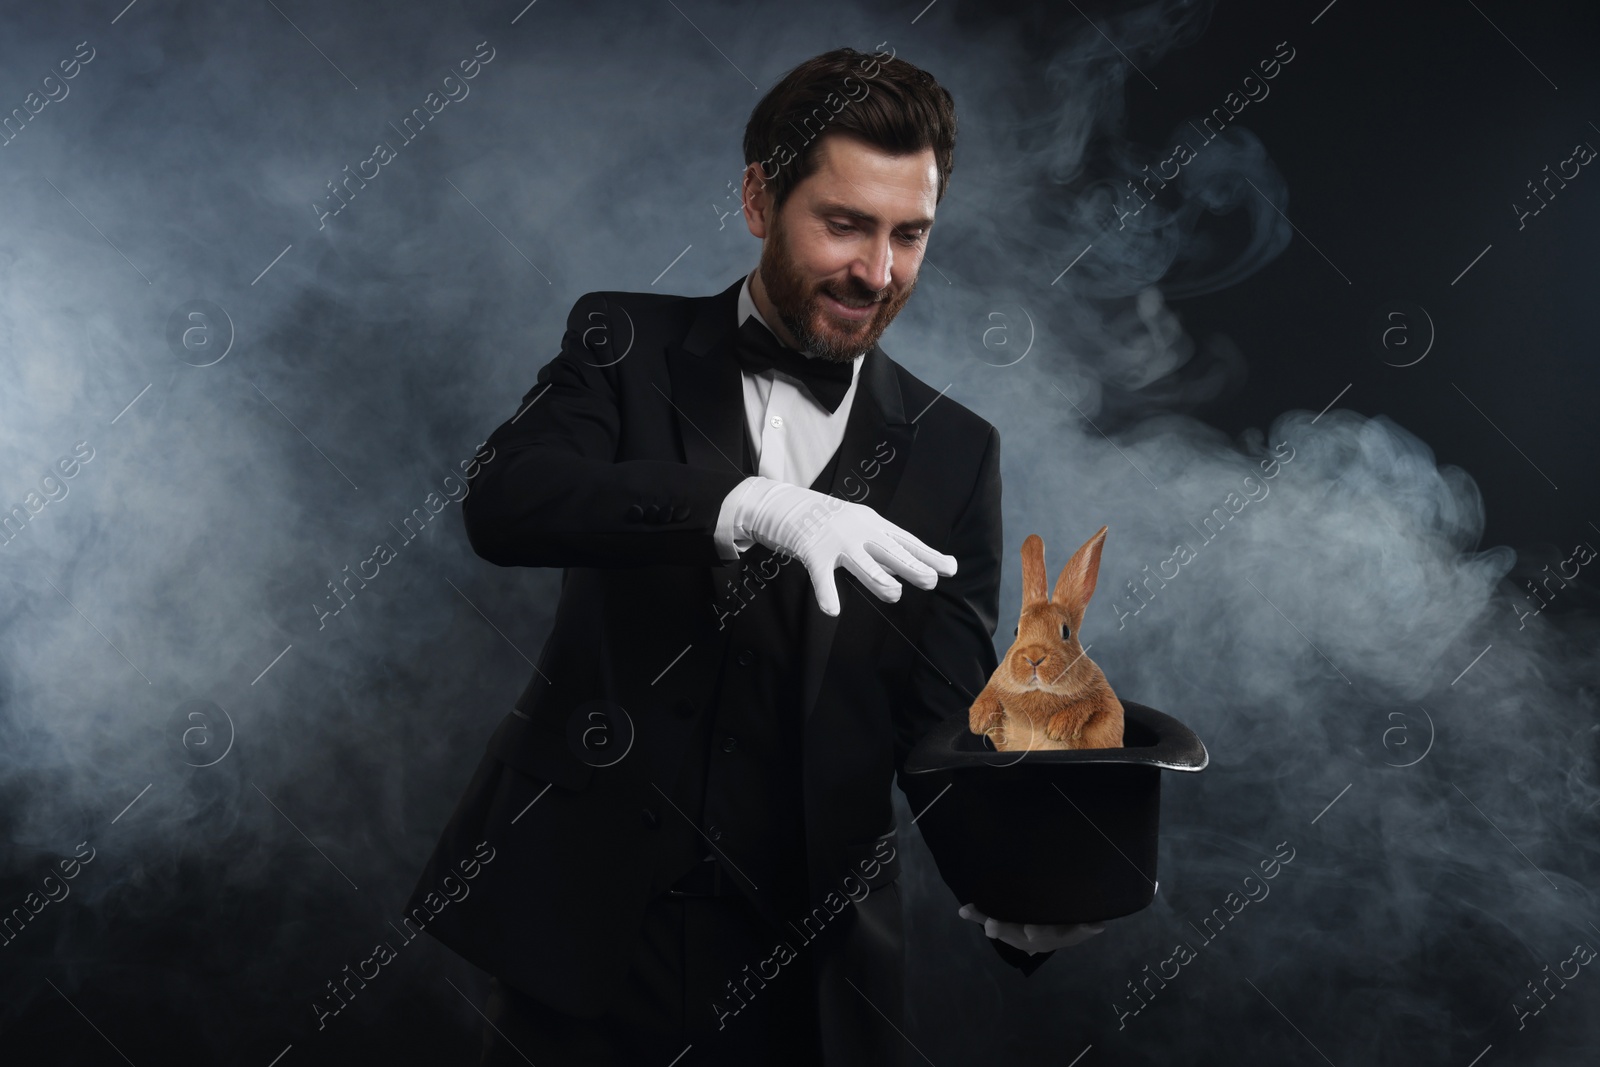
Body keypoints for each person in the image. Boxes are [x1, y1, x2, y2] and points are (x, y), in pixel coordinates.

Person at [405, 45, 1104, 1067]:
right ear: (756, 198)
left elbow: (935, 711)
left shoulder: (959, 451)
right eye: (845, 224)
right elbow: (504, 502)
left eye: (909, 234)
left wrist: (1010, 882)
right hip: (590, 939)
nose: (877, 271)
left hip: (811, 968)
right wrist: (749, 502)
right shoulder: (623, 343)